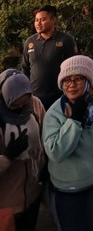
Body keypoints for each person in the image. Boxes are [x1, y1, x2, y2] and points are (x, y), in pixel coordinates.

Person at [43, 55, 93, 231]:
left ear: (88, 81)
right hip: (67, 189)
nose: (71, 84)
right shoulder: (55, 113)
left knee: (92, 226)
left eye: (78, 78)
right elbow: (55, 152)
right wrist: (74, 121)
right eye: (66, 80)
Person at [0, 70, 46, 231]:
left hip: (33, 195)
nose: (20, 108)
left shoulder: (35, 105)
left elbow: (44, 138)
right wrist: (8, 156)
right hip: (7, 205)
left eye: (23, 102)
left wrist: (45, 166)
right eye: (14, 104)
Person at [21, 5, 77, 110]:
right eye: (36, 20)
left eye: (43, 20)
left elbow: (72, 70)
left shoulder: (66, 40)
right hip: (34, 99)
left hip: (58, 98)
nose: (38, 23)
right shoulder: (30, 42)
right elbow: (25, 68)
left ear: (53, 20)